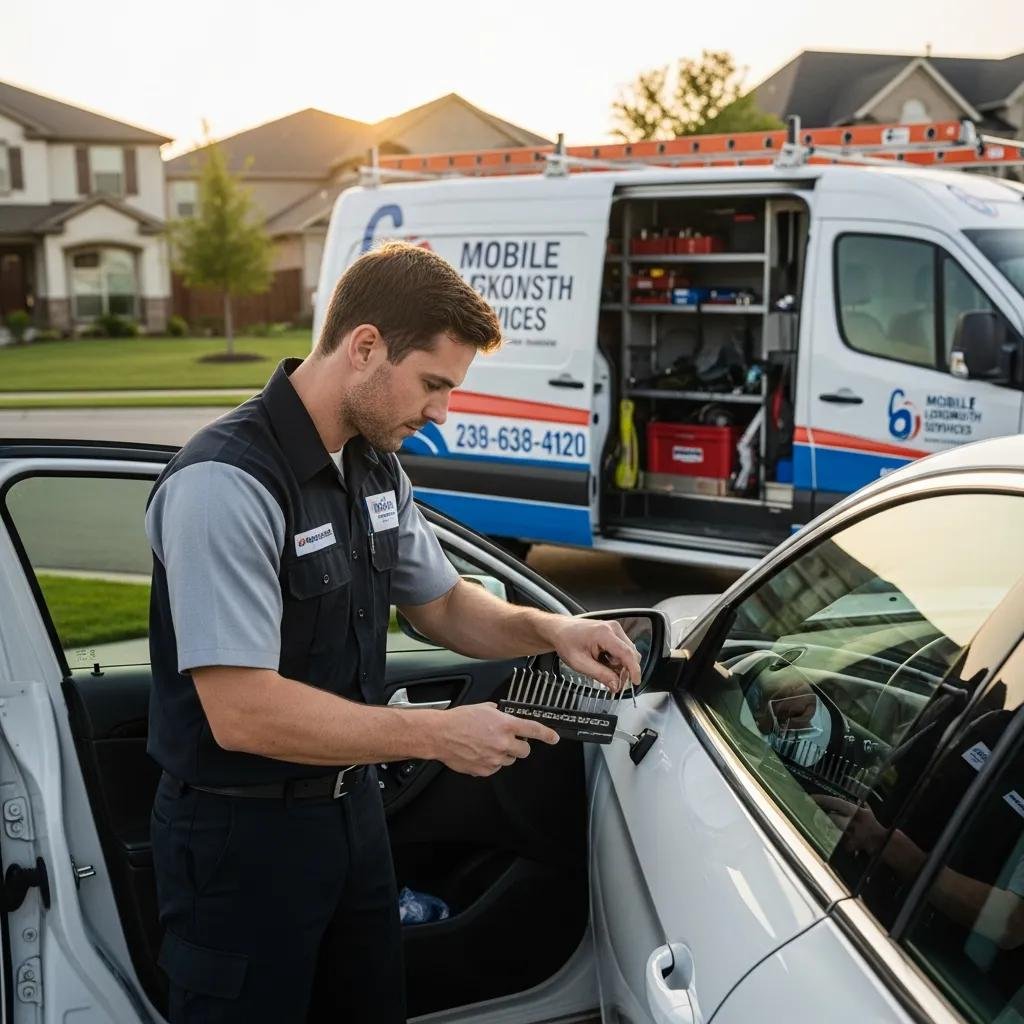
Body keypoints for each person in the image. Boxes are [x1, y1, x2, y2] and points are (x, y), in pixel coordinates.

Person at [145, 241, 640, 1023]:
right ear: (365, 346)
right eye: (434, 384)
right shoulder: (226, 483)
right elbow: (241, 712)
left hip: (352, 819)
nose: (441, 412)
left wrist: (555, 628)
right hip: (239, 842)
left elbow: (441, 605)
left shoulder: (375, 467)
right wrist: (436, 735)